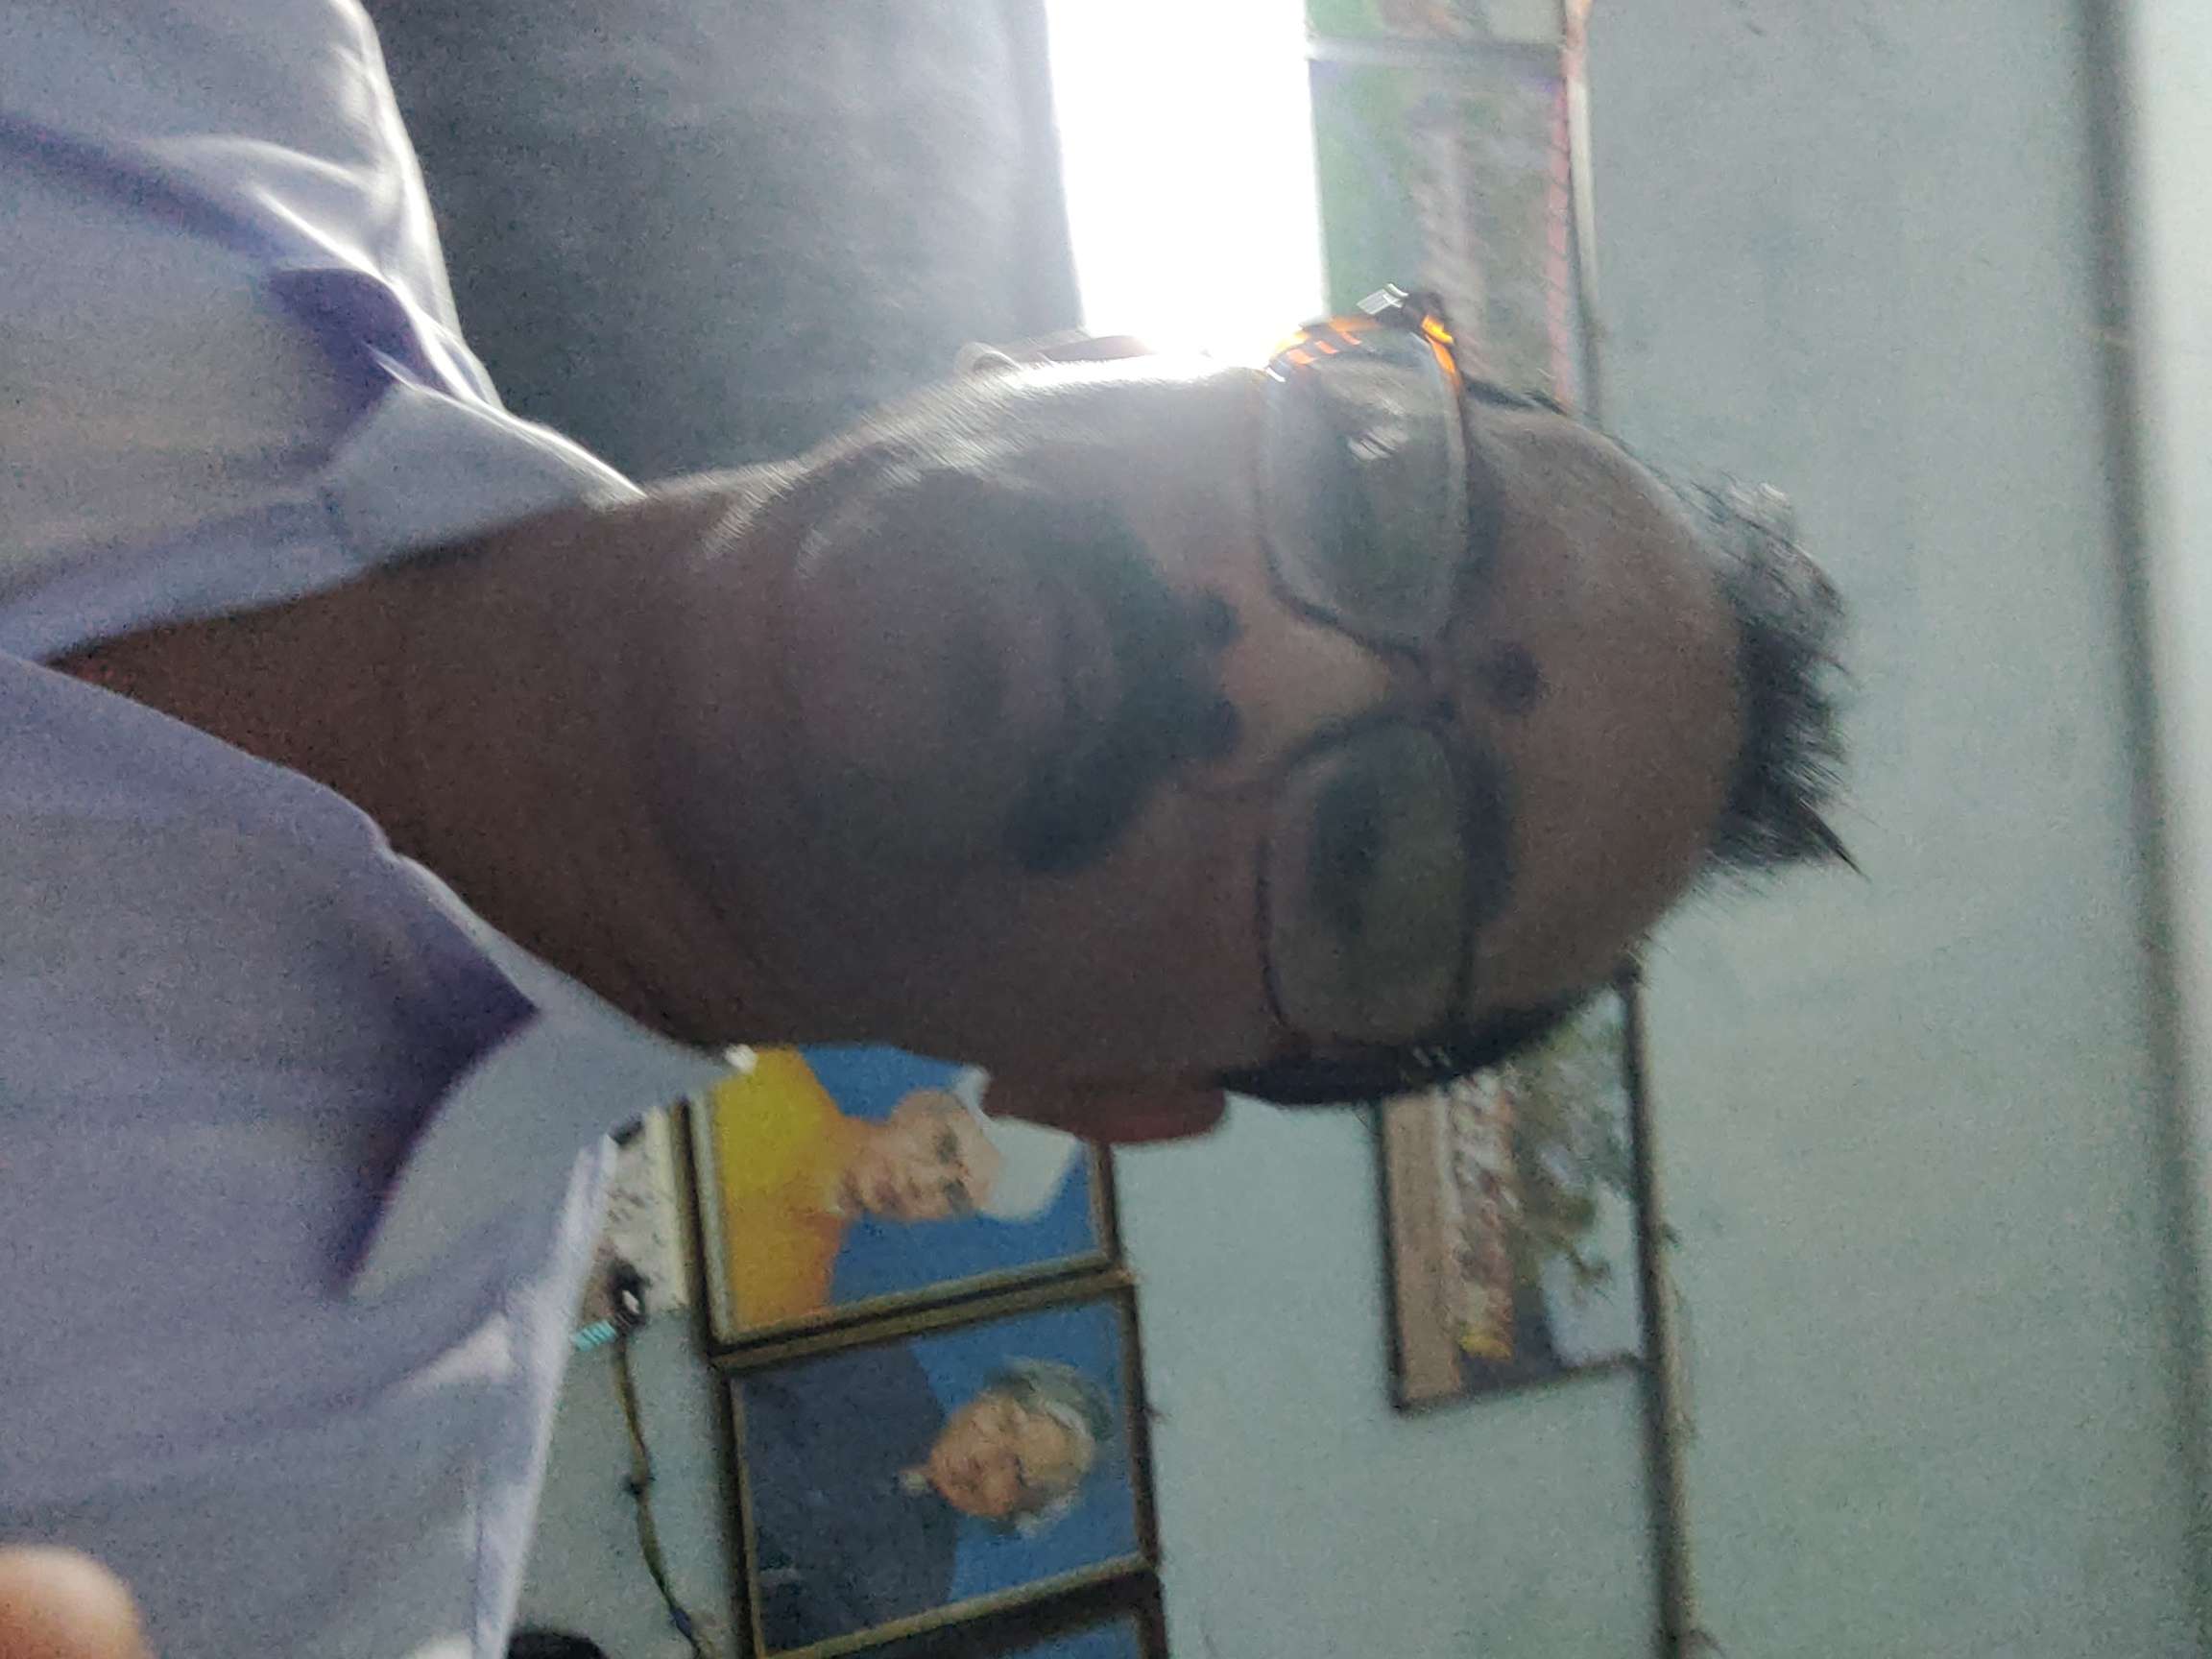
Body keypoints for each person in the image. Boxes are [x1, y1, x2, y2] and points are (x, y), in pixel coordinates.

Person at [0, 0, 1846, 1653]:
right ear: (1076, 345)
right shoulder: (158, 70)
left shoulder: (277, 1575)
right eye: (1371, 491)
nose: (1268, 671)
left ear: (1114, 1086)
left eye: (1384, 866)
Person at [744, 1350, 1113, 1649]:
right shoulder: (875, 1370)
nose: (985, 1458)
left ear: (1013, 1514)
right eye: (1005, 1423)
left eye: (1016, 1473)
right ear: (987, 1395)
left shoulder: (911, 1598)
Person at [709, 1052, 1083, 1327]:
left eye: (953, 1195)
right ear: (916, 1105)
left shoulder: (794, 1298)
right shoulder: (757, 1073)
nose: (923, 1182)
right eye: (944, 1147)